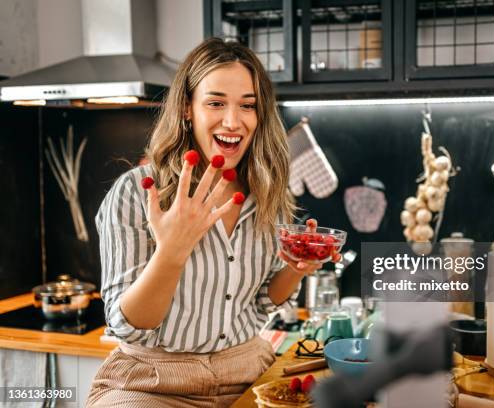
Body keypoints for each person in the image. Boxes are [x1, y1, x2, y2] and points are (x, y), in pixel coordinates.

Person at [86, 38, 333, 407]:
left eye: (247, 106)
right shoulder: (140, 192)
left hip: (248, 371)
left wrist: (296, 269)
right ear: (187, 109)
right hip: (152, 383)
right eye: (215, 103)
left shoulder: (266, 193)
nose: (233, 121)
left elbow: (262, 303)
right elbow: (129, 325)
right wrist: (172, 251)